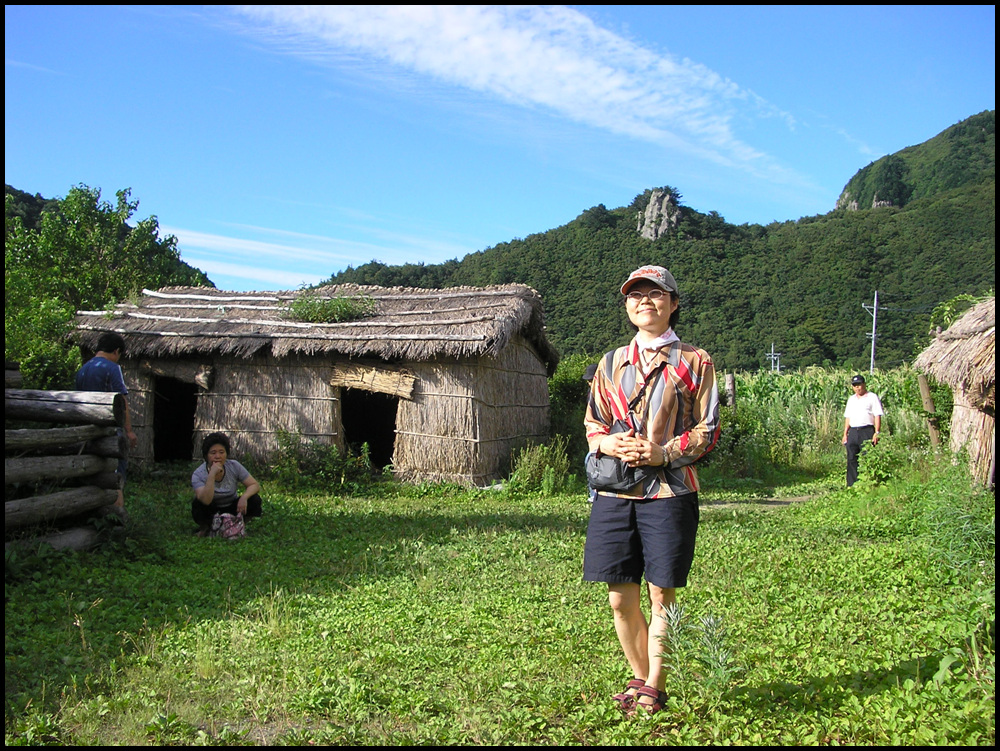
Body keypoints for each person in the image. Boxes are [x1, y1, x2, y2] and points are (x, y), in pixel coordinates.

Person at [583, 265, 720, 716]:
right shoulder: (609, 363)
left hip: (670, 491)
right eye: (636, 295)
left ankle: (654, 685)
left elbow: (708, 428)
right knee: (619, 596)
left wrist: (662, 453)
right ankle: (640, 675)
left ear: (673, 303)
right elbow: (592, 424)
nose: (646, 301)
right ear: (627, 306)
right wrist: (606, 442)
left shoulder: (696, 361)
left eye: (656, 294)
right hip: (615, 492)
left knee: (662, 593)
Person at [75, 332, 138, 511]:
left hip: (87, 431)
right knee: (116, 474)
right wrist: (129, 431)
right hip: (110, 432)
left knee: (94, 472)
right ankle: (117, 513)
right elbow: (121, 401)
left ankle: (94, 511)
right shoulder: (111, 368)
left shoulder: (83, 370)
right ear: (116, 351)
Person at [191, 432, 263, 536]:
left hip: (231, 506)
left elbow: (254, 485)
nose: (218, 456)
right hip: (212, 508)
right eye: (213, 453)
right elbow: (206, 500)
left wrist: (244, 497)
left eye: (221, 452)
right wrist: (212, 474)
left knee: (254, 499)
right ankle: (206, 528)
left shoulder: (234, 466)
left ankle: (238, 525)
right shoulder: (198, 474)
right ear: (206, 456)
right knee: (198, 503)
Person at [842, 374, 883, 487]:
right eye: (855, 385)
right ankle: (852, 484)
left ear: (864, 384)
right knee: (851, 458)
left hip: (867, 430)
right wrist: (845, 433)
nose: (857, 388)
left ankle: (869, 483)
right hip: (854, 431)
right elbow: (848, 417)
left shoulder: (872, 397)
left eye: (859, 385)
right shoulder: (851, 399)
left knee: (867, 457)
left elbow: (877, 416)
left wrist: (877, 432)